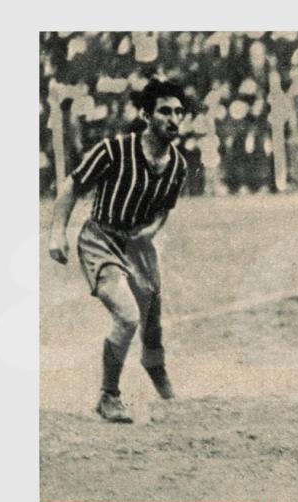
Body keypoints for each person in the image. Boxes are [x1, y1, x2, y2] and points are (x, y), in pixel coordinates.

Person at [47, 79, 191, 423]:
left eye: (178, 113)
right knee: (127, 315)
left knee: (152, 323)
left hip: (137, 244)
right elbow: (73, 186)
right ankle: (108, 397)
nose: (173, 119)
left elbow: (162, 212)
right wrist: (57, 233)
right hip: (100, 239)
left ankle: (155, 368)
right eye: (165, 111)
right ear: (146, 114)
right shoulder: (114, 150)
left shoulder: (178, 166)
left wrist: (149, 233)